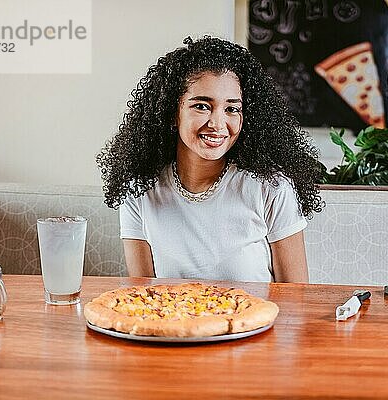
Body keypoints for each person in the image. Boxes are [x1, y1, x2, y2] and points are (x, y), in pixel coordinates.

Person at [97, 36, 323, 283]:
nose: (217, 124)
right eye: (202, 106)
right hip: (171, 321)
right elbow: (144, 297)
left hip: (258, 322)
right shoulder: (138, 191)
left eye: (232, 109)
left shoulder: (272, 188)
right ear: (173, 113)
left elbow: (297, 301)